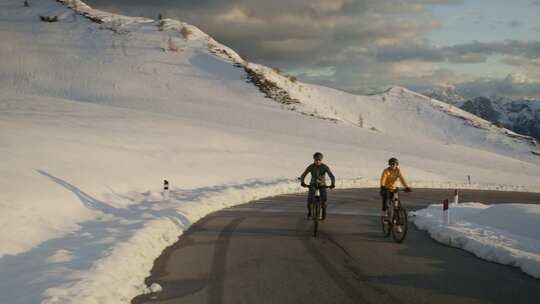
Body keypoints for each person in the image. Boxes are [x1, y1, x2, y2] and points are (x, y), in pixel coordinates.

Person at [300, 152, 335, 220]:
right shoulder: (311, 166)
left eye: (319, 160)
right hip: (313, 184)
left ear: (321, 160)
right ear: (314, 159)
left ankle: (324, 210)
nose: (318, 161)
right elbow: (303, 175)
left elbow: (331, 175)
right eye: (316, 160)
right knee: (310, 199)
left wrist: (332, 183)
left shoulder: (325, 167)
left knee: (324, 198)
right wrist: (302, 182)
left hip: (322, 184)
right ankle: (309, 212)